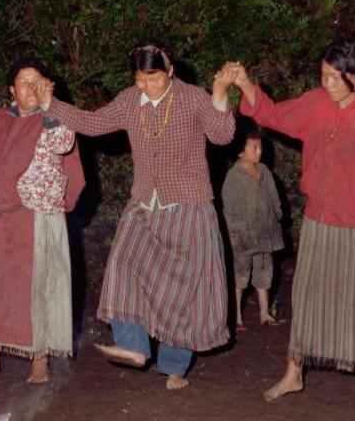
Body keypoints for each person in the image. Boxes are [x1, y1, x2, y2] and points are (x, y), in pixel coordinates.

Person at [219, 40, 355, 405]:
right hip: (322, 214)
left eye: (336, 77)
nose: (329, 84)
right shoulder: (316, 103)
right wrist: (244, 84)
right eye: (324, 76)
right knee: (308, 295)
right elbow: (274, 114)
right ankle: (294, 372)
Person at [41, 42, 235, 391]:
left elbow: (222, 135)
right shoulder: (131, 100)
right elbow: (95, 123)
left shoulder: (192, 98)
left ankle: (175, 366)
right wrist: (51, 105)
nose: (147, 86)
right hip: (144, 202)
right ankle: (133, 346)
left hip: (188, 206)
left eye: (154, 78)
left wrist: (219, 93)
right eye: (140, 79)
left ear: (169, 70)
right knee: (122, 265)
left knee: (183, 291)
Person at [0, 58, 85, 383]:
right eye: (24, 82)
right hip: (4, 210)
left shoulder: (55, 118)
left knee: (38, 287)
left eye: (37, 81)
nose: (31, 88)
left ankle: (40, 359)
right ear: (11, 89)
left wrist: (50, 106)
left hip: (40, 213)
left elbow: (63, 142)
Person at [221, 122, 282, 330]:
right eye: (253, 148)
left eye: (260, 147)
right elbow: (229, 208)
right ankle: (236, 316)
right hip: (243, 237)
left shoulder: (264, 171)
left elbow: (274, 198)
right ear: (240, 151)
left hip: (265, 234)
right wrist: (240, 230)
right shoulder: (234, 177)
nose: (259, 152)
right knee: (241, 274)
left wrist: (277, 214)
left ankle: (264, 312)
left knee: (265, 272)